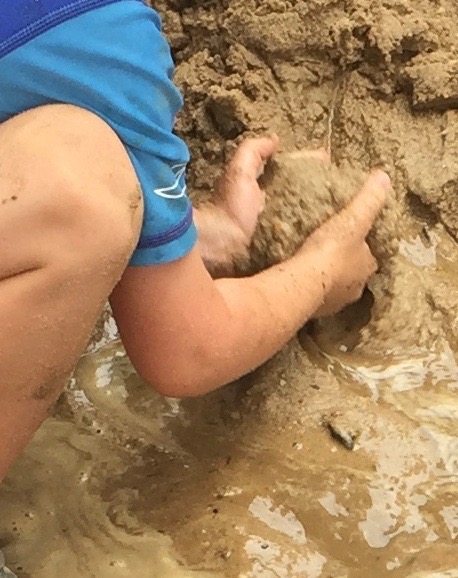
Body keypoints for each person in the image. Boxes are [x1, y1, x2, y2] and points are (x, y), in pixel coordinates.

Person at [0, 1, 390, 575]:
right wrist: (323, 268)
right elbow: (188, 349)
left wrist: (194, 233)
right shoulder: (94, 30)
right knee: (80, 197)